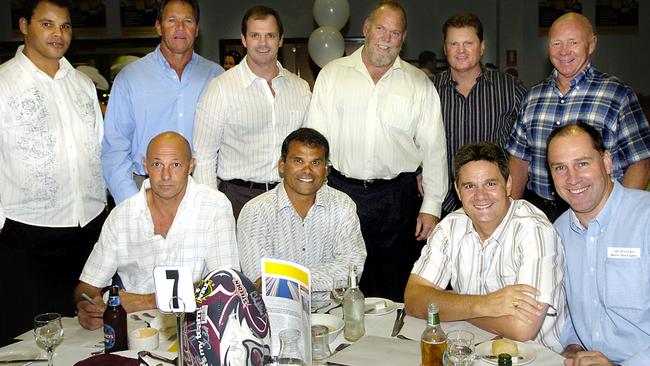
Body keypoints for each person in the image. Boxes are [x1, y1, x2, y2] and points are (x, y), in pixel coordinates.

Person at [307, 0, 447, 302]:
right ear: (366, 29)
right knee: (345, 288)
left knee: (395, 290)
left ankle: (392, 348)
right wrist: (314, 197)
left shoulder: (419, 84)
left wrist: (432, 206)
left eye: (395, 33)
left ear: (403, 39)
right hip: (342, 194)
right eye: (381, 29)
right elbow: (315, 143)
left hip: (399, 200)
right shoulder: (332, 75)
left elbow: (434, 149)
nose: (386, 38)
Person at [0, 0, 107, 344]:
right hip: (25, 236)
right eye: (47, 24)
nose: (58, 34)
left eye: (65, 26)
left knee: (85, 339)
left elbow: (98, 150)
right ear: (23, 25)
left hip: (86, 231)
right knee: (25, 342)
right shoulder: (4, 84)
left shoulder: (82, 84)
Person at [404, 142, 566, 351]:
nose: (480, 196)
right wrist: (484, 304)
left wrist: (452, 305)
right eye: (469, 186)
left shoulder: (534, 230)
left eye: (490, 184)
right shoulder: (450, 227)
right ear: (457, 191)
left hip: (536, 356)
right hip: (471, 353)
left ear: (508, 185)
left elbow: (522, 328)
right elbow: (413, 300)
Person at [74, 132, 239, 331]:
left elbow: (226, 285)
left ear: (191, 166)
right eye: (157, 164)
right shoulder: (122, 215)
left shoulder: (214, 206)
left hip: (194, 326)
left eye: (175, 165)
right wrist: (87, 306)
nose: (166, 175)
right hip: (132, 330)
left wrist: (149, 301)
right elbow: (86, 287)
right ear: (145, 166)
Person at [506, 12, 650, 222]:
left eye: (573, 42)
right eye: (557, 43)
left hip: (599, 211)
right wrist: (510, 214)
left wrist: (618, 217)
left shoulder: (617, 95)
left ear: (591, 44)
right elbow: (519, 159)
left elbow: (640, 162)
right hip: (539, 213)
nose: (564, 51)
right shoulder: (533, 96)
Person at [193, 6, 311, 219]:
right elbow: (203, 156)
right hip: (237, 199)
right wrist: (211, 213)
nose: (263, 43)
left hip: (288, 198)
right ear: (244, 39)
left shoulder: (300, 89)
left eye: (270, 35)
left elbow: (309, 151)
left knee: (287, 255)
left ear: (281, 39)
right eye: (255, 35)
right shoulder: (220, 88)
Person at [547, 123, 650, 365]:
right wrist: (572, 346)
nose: (572, 179)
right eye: (560, 167)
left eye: (582, 163)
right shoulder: (558, 233)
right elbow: (569, 309)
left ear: (606, 162)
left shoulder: (645, 219)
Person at [102, 0, 223, 204]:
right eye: (172, 20)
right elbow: (115, 148)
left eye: (188, 21)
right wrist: (132, 202)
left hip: (201, 188)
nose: (180, 28)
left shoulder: (216, 77)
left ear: (197, 29)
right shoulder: (130, 78)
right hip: (145, 188)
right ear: (158, 26)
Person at [237, 128, 366, 299]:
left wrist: (289, 280)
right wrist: (323, 279)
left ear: (326, 169)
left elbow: (352, 268)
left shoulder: (342, 205)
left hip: (334, 311)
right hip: (278, 313)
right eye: (298, 161)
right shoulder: (256, 212)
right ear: (282, 166)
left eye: (315, 162)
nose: (307, 170)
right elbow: (261, 281)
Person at [434, 13, 527, 217]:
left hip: (495, 204)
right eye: (454, 44)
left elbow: (526, 147)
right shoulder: (430, 91)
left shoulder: (510, 89)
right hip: (443, 206)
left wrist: (514, 202)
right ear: (445, 49)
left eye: (468, 43)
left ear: (482, 46)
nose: (461, 50)